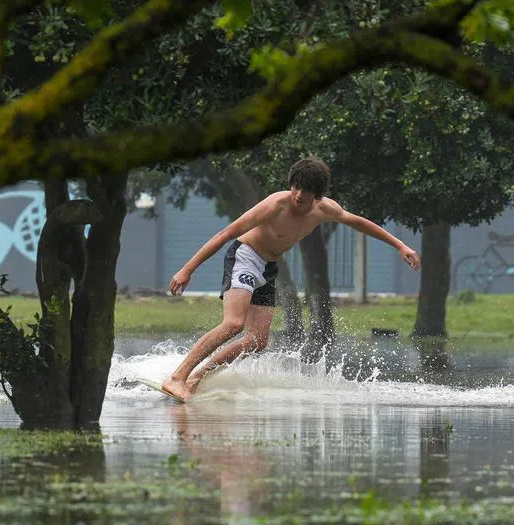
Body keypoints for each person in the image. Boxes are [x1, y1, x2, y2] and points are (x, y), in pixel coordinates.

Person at [160, 156, 421, 401]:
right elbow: (226, 233)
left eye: (305, 191)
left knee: (258, 341)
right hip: (245, 258)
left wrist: (400, 246)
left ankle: (196, 377)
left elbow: (360, 223)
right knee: (233, 324)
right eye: (295, 187)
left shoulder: (325, 209)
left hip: (268, 267)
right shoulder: (275, 205)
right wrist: (188, 269)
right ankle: (177, 377)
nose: (297, 195)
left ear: (317, 195)